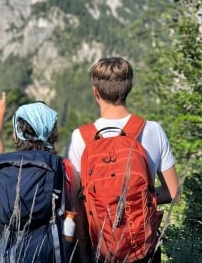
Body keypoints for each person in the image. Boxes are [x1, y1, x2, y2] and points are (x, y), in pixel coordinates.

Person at [66, 57, 181, 263]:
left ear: (95, 92)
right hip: (144, 249)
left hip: (100, 249)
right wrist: (142, 199)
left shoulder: (80, 137)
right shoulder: (153, 130)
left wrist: (83, 251)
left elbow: (78, 203)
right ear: (129, 88)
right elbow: (174, 194)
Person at [0, 95, 91, 263]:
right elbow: (77, 222)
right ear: (52, 133)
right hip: (51, 255)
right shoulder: (65, 168)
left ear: (16, 134)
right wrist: (84, 255)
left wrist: (0, 113)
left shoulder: (2, 167)